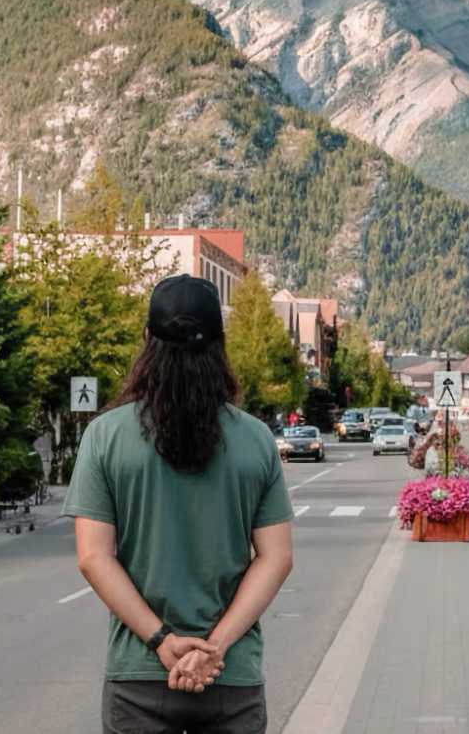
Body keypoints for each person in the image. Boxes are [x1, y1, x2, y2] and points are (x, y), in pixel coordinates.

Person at [65, 275, 294, 734]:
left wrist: (161, 640)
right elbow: (276, 558)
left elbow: (94, 558)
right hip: (230, 676)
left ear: (147, 340)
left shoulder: (104, 437)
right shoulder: (255, 439)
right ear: (220, 345)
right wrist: (215, 647)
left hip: (139, 679)